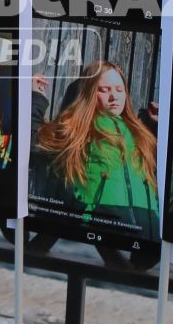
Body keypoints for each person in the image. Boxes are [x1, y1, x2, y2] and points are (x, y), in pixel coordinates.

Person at [32, 61, 160, 238]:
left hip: (148, 226)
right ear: (90, 94)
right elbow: (35, 140)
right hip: (102, 222)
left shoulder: (141, 133)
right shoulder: (79, 128)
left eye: (119, 89)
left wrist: (160, 127)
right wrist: (37, 98)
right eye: (104, 90)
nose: (114, 97)